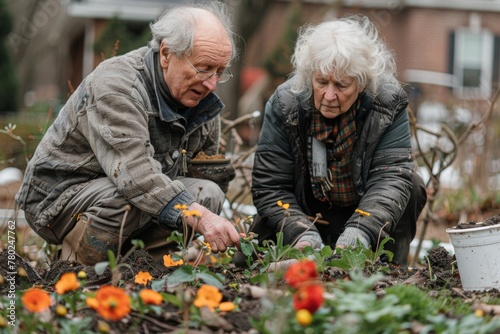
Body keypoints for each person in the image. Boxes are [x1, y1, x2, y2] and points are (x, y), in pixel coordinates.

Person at [15, 2, 241, 265]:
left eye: (220, 72)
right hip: (58, 198)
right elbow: (135, 175)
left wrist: (221, 223)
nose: (211, 83)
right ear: (167, 54)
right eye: (203, 68)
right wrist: (200, 217)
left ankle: (142, 269)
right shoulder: (116, 85)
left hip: (123, 193)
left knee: (207, 193)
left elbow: (200, 173)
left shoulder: (199, 98)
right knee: (128, 198)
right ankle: (77, 272)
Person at [249, 15, 427, 265]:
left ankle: (390, 270)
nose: (329, 95)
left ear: (362, 82)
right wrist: (301, 231)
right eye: (321, 82)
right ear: (310, 76)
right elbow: (270, 186)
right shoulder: (285, 103)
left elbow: (391, 177)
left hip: (363, 208)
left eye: (341, 85)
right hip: (305, 212)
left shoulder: (387, 102)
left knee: (413, 186)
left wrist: (361, 229)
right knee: (254, 264)